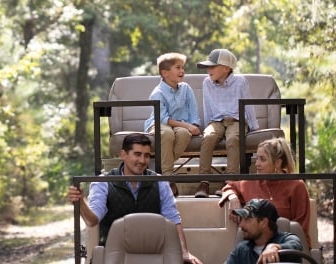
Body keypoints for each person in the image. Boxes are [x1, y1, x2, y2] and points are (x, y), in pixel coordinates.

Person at [67, 133, 202, 264]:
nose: (142, 161)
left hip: (155, 255)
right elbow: (93, 220)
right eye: (137, 154)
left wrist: (184, 252)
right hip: (115, 257)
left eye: (147, 156)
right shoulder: (104, 182)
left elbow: (173, 219)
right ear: (123, 155)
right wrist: (81, 203)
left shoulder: (159, 181)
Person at [218, 137, 312, 246]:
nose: (257, 163)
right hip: (255, 247)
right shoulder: (251, 182)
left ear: (278, 163)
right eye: (256, 158)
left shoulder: (296, 185)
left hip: (287, 247)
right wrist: (233, 197)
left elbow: (300, 228)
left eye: (262, 159)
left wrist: (276, 247)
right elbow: (229, 186)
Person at [195, 48, 259, 198]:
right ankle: (204, 182)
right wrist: (207, 126)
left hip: (236, 121)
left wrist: (254, 127)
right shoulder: (207, 83)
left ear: (226, 68)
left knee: (233, 139)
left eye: (212, 67)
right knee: (208, 137)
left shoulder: (240, 82)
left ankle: (230, 181)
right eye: (207, 67)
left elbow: (248, 104)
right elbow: (207, 106)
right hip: (216, 121)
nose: (208, 70)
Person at [144, 52, 201, 196]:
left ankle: (164, 167)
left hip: (181, 126)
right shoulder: (157, 93)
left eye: (183, 67)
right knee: (167, 134)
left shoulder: (186, 89)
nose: (182, 71)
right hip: (159, 123)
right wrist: (187, 126)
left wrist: (194, 125)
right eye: (178, 67)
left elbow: (193, 110)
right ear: (165, 73)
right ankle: (168, 179)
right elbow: (163, 119)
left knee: (183, 134)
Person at [224, 198, 303, 264]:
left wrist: (274, 247)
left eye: (247, 219)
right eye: (242, 219)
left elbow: (295, 245)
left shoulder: (286, 239)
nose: (241, 225)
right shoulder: (241, 250)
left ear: (263, 222)